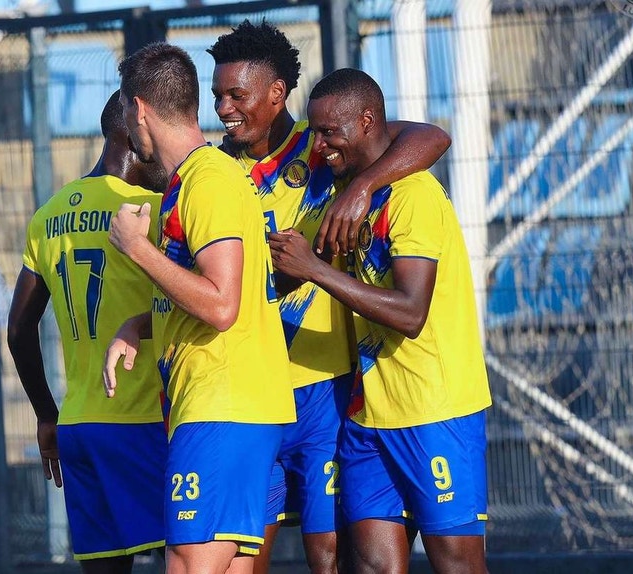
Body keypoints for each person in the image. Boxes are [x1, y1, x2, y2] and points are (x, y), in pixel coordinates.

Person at [207, 20, 453, 574]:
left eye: (236, 96)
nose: (223, 109)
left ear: (277, 93)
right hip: (250, 393)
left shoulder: (323, 146)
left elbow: (431, 137)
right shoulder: (213, 172)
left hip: (325, 390)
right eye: (217, 95)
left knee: (330, 556)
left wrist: (363, 187)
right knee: (243, 554)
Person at [269, 68, 493, 574]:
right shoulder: (345, 197)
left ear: (368, 121)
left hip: (434, 411)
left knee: (457, 563)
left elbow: (411, 313)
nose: (319, 146)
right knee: (370, 566)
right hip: (369, 417)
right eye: (315, 132)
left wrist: (316, 270)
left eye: (330, 132)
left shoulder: (413, 195)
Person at [104, 42, 296, 574]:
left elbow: (221, 304)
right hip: (234, 409)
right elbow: (218, 291)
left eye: (126, 114)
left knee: (188, 564)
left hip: (221, 409)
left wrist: (137, 249)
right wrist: (139, 325)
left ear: (138, 109)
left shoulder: (207, 180)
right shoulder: (195, 179)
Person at [6, 90, 169, 574]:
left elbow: (18, 329)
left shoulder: (48, 216)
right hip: (143, 420)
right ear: (132, 134)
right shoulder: (150, 210)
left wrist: (46, 414)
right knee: (189, 558)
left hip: (78, 425)